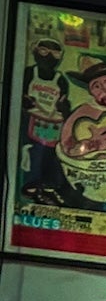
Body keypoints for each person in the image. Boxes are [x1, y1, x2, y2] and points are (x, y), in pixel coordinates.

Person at [17, 37, 72, 205]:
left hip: (53, 124)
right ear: (35, 52)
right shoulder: (28, 73)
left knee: (53, 156)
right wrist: (24, 102)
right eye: (44, 51)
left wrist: (64, 109)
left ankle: (49, 188)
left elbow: (63, 104)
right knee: (33, 154)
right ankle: (31, 188)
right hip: (30, 121)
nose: (48, 56)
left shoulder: (60, 80)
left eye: (54, 53)